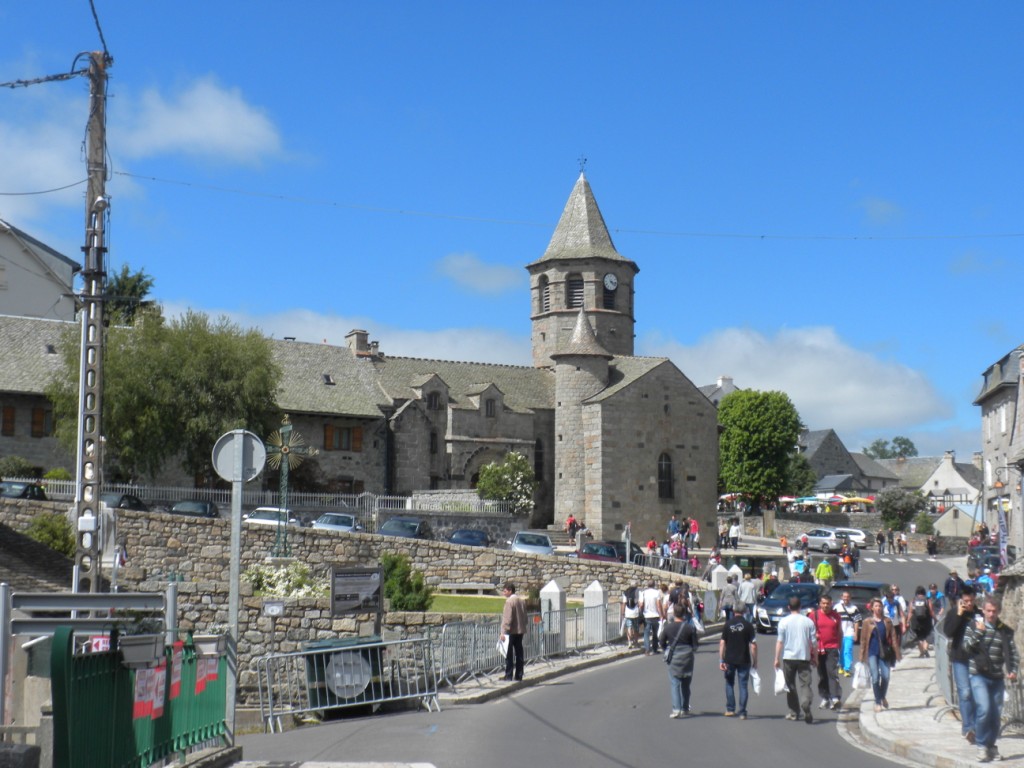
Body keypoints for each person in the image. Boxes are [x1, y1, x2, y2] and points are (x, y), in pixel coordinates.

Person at [963, 595, 1019, 762]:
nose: (991, 614)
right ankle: (981, 746)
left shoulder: (1004, 630)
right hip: (978, 675)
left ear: (999, 611)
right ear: (983, 610)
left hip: (996, 677)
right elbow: (966, 647)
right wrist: (979, 632)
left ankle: (991, 746)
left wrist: (1013, 669)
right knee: (984, 709)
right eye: (988, 611)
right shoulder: (974, 626)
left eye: (994, 611)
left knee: (995, 714)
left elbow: (1013, 653)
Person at [943, 585, 981, 746]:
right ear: (961, 600)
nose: (969, 604)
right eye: (966, 601)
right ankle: (968, 728)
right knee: (965, 693)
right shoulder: (954, 613)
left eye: (971, 600)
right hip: (960, 658)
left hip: (977, 659)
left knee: (976, 694)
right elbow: (948, 632)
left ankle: (976, 726)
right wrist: (959, 615)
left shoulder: (979, 614)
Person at [775, 595, 817, 723]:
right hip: (804, 657)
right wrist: (815, 657)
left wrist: (776, 658)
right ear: (800, 607)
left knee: (790, 685)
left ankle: (794, 712)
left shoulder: (783, 622)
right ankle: (806, 702)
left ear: (788, 607)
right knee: (805, 684)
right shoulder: (808, 621)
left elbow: (780, 642)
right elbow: (814, 642)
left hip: (789, 657)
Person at [859, 597, 900, 712]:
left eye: (880, 606)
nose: (878, 608)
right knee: (875, 677)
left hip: (885, 653)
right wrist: (862, 656)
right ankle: (878, 701)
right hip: (872, 652)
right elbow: (863, 640)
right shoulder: (867, 622)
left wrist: (896, 652)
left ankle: (882, 696)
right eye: (876, 606)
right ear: (872, 608)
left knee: (886, 676)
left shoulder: (887, 621)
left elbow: (893, 637)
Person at [719, 605, 757, 719]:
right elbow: (753, 645)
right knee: (743, 685)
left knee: (729, 683)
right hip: (744, 659)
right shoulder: (748, 625)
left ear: (734, 611)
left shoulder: (728, 624)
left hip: (729, 659)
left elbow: (722, 643)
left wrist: (721, 659)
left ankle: (730, 709)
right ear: (744, 611)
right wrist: (755, 660)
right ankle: (742, 712)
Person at [663, 602, 699, 718]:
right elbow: (695, 645)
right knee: (686, 683)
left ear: (674, 613)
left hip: (674, 655)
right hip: (687, 656)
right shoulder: (690, 628)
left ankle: (676, 709)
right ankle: (685, 707)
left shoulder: (668, 627)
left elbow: (661, 641)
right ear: (684, 613)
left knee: (675, 683)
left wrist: (667, 649)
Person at [810, 594, 843, 710]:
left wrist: (840, 647)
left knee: (832, 672)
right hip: (819, 649)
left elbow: (840, 633)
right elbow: (809, 631)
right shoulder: (814, 615)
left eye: (827, 603)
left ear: (831, 603)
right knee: (822, 675)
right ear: (820, 604)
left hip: (832, 648)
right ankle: (825, 697)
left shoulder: (836, 616)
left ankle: (835, 697)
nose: (825, 606)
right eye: (823, 603)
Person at [500, 581, 528, 681]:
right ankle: (519, 674)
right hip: (520, 630)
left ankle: (508, 675)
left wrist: (503, 631)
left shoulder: (509, 602)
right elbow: (525, 617)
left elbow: (507, 618)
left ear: (510, 591)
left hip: (511, 631)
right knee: (519, 653)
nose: (503, 593)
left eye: (505, 591)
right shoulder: (522, 601)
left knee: (509, 654)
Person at [835, 591, 862, 677]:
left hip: (849, 632)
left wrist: (856, 633)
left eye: (847, 597)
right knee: (840, 651)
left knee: (848, 650)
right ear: (841, 597)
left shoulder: (853, 608)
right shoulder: (837, 607)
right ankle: (841, 666)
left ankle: (847, 669)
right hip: (839, 632)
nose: (846, 598)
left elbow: (857, 621)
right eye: (844, 596)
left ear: (850, 598)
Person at [908, 586, 934, 658]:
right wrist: (934, 618)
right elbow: (931, 611)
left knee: (918, 637)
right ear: (924, 592)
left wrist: (907, 621)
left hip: (916, 621)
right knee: (927, 635)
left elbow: (910, 612)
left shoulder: (913, 600)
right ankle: (925, 649)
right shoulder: (927, 600)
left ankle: (921, 652)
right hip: (926, 621)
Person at [640, 579, 663, 655]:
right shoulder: (657, 593)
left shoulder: (643, 593)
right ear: (654, 585)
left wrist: (642, 612)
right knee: (655, 633)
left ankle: (647, 649)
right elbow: (659, 605)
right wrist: (661, 615)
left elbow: (641, 605)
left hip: (647, 615)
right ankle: (655, 649)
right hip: (655, 615)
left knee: (646, 633)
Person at [620, 582, 641, 649]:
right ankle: (636, 642)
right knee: (636, 628)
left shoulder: (626, 592)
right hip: (636, 612)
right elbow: (640, 603)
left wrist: (622, 612)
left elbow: (624, 603)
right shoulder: (638, 592)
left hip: (628, 613)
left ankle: (629, 642)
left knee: (629, 627)